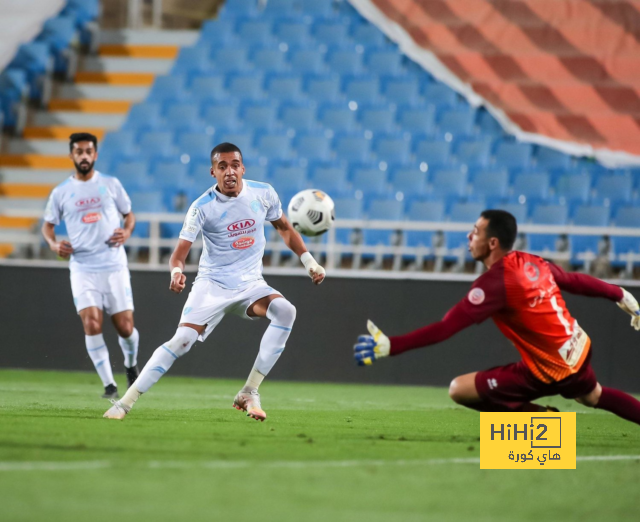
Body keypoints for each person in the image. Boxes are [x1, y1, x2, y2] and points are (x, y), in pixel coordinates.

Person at [104, 142, 325, 422]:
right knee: (181, 341)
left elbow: (284, 227)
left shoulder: (264, 193)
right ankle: (125, 402)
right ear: (213, 172)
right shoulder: (201, 207)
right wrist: (176, 273)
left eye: (235, 165)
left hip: (250, 286)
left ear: (243, 168)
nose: (229, 171)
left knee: (286, 311)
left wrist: (309, 262)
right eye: (223, 166)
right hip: (212, 286)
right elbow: (178, 255)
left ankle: (249, 391)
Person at [354, 209, 640, 425]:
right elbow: (573, 280)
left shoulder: (494, 283)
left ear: (492, 242)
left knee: (459, 390)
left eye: (475, 231)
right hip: (578, 349)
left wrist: (392, 345)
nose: (469, 236)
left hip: (551, 369)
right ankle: (550, 428)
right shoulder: (532, 261)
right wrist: (619, 294)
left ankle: (547, 428)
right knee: (593, 396)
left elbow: (446, 328)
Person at [42, 132, 140, 399]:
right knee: (92, 323)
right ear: (72, 155)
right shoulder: (61, 192)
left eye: (88, 151)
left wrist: (127, 232)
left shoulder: (110, 184)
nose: (84, 156)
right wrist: (53, 245)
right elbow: (47, 226)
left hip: (113, 266)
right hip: (83, 267)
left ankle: (131, 364)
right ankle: (110, 385)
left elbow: (129, 216)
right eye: (79, 151)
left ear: (95, 155)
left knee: (125, 327)